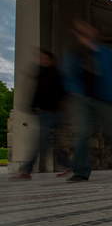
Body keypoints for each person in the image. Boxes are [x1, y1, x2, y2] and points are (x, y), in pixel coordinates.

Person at [64, 19, 112, 182]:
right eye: (79, 30)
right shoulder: (73, 55)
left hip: (107, 99)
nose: (83, 33)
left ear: (94, 32)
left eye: (85, 28)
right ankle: (81, 171)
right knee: (82, 133)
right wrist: (74, 92)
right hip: (83, 99)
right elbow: (68, 76)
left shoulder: (110, 54)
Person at [11, 49, 70, 180]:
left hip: (53, 113)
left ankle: (26, 171)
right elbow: (37, 92)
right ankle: (70, 165)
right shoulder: (40, 73)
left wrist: (58, 109)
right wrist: (31, 106)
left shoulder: (56, 74)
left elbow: (63, 94)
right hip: (43, 113)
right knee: (50, 142)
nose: (41, 60)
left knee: (40, 142)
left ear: (50, 59)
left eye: (44, 58)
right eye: (40, 58)